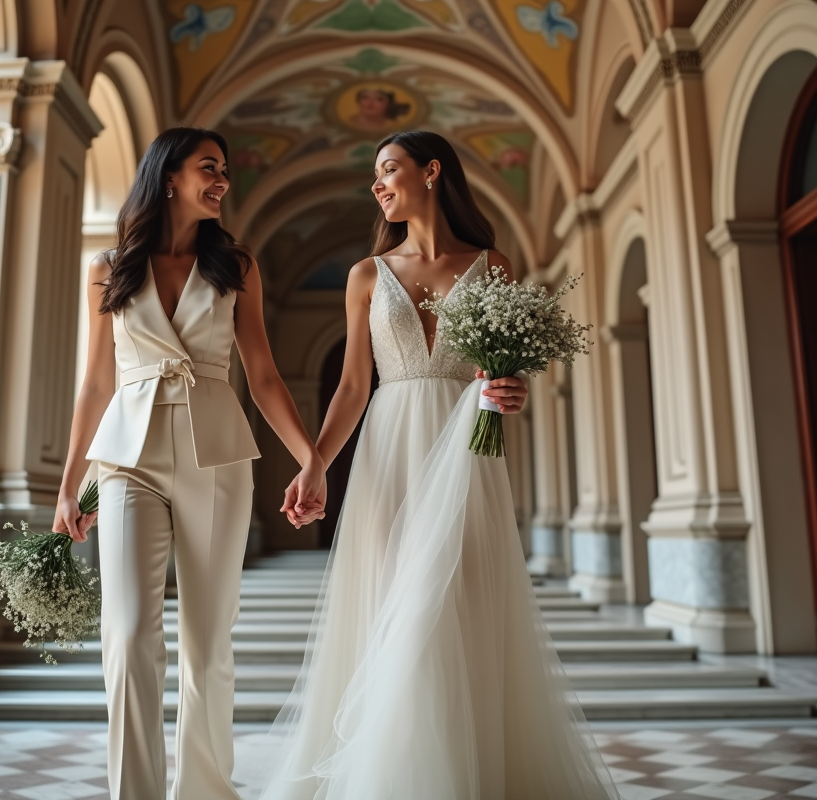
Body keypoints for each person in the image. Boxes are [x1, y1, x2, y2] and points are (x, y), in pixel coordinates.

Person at [263, 131, 618, 799]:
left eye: (388, 169)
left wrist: (510, 389)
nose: (377, 184)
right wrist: (314, 465)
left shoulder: (492, 265)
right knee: (390, 600)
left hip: (466, 451)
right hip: (388, 448)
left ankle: (464, 770)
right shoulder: (366, 275)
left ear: (431, 172)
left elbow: (501, 371)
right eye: (375, 174)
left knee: (459, 597)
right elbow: (352, 387)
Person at [52, 127, 326, 800]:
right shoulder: (109, 266)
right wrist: (69, 485)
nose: (222, 179)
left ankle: (204, 790)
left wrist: (311, 461)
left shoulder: (236, 266)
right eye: (209, 167)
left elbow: (263, 375)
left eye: (225, 168)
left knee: (207, 639)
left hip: (217, 460)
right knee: (127, 635)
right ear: (168, 176)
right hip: (127, 463)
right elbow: (96, 381)